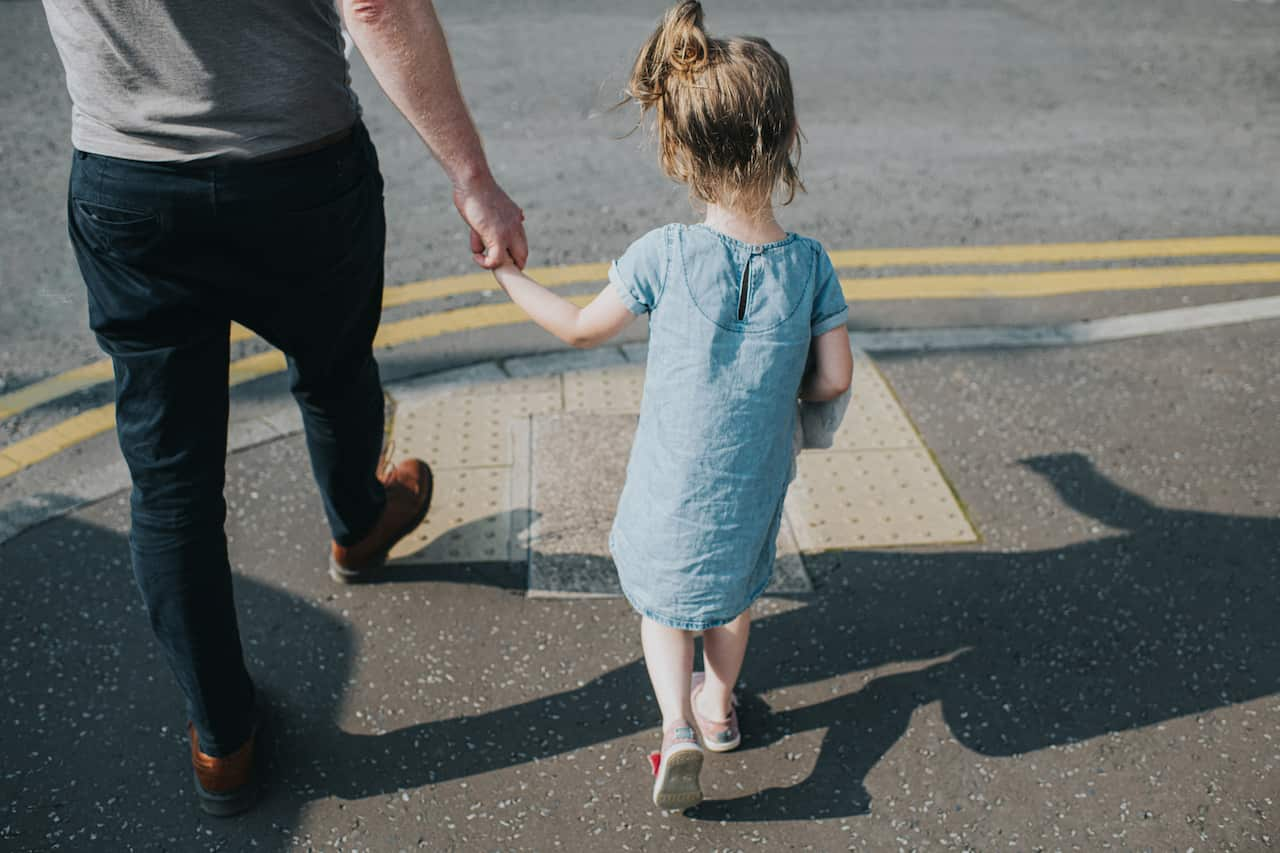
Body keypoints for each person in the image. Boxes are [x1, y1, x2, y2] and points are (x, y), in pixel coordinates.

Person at [38, 0, 526, 815]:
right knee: (333, 370)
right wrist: (473, 181)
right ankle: (359, 522)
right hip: (298, 170)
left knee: (170, 482)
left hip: (129, 181)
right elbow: (377, 5)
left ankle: (222, 739)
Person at [489, 1, 853, 810]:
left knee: (665, 609)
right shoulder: (811, 265)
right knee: (734, 598)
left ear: (679, 148)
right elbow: (832, 379)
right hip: (752, 483)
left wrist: (509, 276)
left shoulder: (666, 253)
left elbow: (584, 329)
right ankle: (718, 708)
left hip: (667, 489)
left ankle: (674, 732)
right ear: (788, 134)